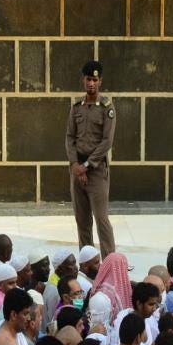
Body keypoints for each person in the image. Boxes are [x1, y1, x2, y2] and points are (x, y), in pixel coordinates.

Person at [66, 60, 116, 257]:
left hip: (96, 171)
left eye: (95, 80)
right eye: (88, 79)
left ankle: (111, 263)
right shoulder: (76, 107)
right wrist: (75, 164)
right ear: (83, 80)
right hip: (77, 171)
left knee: (101, 220)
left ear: (100, 81)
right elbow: (70, 137)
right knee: (82, 221)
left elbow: (106, 142)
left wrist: (86, 166)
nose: (91, 84)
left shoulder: (106, 108)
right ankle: (87, 263)